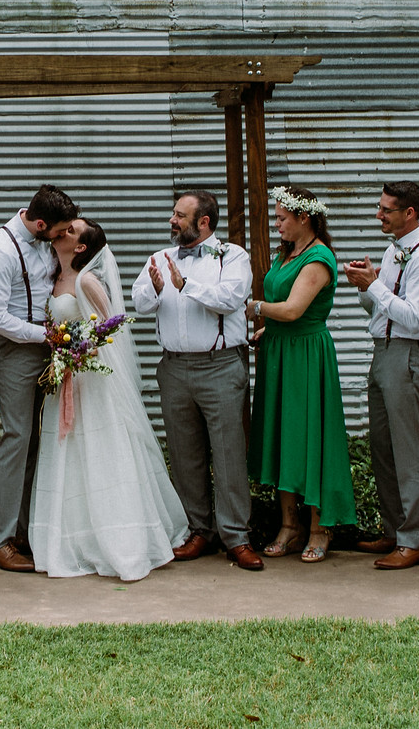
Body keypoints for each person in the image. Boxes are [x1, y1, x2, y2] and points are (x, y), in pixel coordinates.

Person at [27, 218, 187, 579]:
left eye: (71, 231)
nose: (63, 230)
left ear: (81, 247)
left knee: (99, 457)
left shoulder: (86, 280)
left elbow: (113, 325)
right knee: (68, 460)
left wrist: (80, 356)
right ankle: (71, 540)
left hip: (91, 385)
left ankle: (116, 541)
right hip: (64, 381)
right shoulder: (54, 276)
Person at [134, 189, 264, 571]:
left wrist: (185, 285)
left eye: (180, 215)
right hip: (173, 368)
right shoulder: (160, 258)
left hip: (220, 366)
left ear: (204, 222)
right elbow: (139, 303)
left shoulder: (232, 256)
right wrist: (157, 288)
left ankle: (236, 537)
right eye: (174, 213)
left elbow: (231, 298)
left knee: (228, 454)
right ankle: (199, 531)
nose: (172, 221)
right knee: (184, 453)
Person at [245, 185, 356, 562]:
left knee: (310, 437)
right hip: (280, 351)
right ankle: (289, 525)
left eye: (281, 218)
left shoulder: (319, 257)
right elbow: (285, 313)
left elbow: (293, 310)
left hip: (307, 356)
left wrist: (255, 308)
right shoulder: (288, 253)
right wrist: (267, 329)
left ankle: (319, 528)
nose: (277, 225)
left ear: (303, 217)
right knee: (284, 438)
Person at [342, 180, 419, 571]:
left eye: (386, 210)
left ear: (410, 214)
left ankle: (414, 540)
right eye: (379, 207)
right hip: (383, 354)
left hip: (409, 356)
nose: (378, 215)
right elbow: (379, 310)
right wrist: (366, 287)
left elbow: (416, 319)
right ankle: (393, 529)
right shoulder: (392, 252)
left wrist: (376, 288)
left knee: (409, 452)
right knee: (383, 448)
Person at [0, 183, 79, 573]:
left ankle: (24, 531)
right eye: (59, 231)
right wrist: (46, 335)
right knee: (17, 437)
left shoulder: (43, 238)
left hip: (47, 350)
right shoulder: (0, 251)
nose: (63, 237)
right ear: (40, 224)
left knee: (38, 442)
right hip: (16, 352)